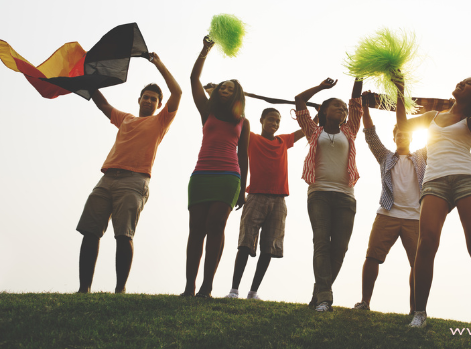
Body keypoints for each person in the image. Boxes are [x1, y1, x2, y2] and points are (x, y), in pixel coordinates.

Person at [395, 73, 471, 343]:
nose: (462, 82)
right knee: (426, 244)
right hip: (434, 181)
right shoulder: (433, 116)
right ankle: (419, 313)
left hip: (467, 179)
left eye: (468, 84)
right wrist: (401, 90)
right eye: (463, 81)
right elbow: (402, 123)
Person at [76, 52, 181, 294]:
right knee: (91, 231)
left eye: (154, 99)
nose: (149, 101)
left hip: (135, 181)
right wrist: (87, 80)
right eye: (146, 97)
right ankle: (84, 290)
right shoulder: (126, 119)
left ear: (158, 105)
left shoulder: (160, 122)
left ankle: (120, 290)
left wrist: (158, 63)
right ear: (139, 99)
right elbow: (103, 104)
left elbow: (177, 93)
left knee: (124, 234)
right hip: (107, 178)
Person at [182, 36, 250, 298]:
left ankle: (206, 287)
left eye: (231, 87)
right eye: (224, 85)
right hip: (201, 175)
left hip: (228, 177)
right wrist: (205, 50)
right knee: (196, 229)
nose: (226, 88)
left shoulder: (243, 122)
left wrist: (243, 188)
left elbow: (243, 156)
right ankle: (189, 286)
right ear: (218, 90)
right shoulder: (206, 111)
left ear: (236, 95)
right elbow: (193, 80)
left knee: (215, 226)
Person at [224, 107, 309, 300]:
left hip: (279, 199)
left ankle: (253, 292)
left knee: (269, 247)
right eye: (271, 119)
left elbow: (305, 129)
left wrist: (318, 113)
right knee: (246, 243)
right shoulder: (252, 138)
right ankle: (234, 290)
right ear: (261, 120)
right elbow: (235, 122)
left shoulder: (283, 141)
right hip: (255, 196)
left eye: (278, 121)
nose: (274, 123)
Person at [353, 92, 426, 313]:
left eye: (406, 134)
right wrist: (365, 108)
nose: (402, 137)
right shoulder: (386, 157)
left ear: (412, 138)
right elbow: (370, 135)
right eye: (399, 135)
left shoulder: (422, 156)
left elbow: (439, 136)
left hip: (414, 217)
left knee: (418, 264)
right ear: (394, 138)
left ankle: (415, 309)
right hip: (387, 213)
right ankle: (365, 302)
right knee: (372, 256)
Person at [294, 77, 363, 312]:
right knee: (321, 243)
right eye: (337, 105)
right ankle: (325, 298)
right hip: (319, 194)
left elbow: (356, 103)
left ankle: (319, 294)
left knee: (340, 248)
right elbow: (300, 100)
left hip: (346, 196)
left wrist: (359, 76)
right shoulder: (313, 131)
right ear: (323, 111)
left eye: (344, 108)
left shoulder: (350, 130)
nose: (343, 109)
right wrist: (322, 88)